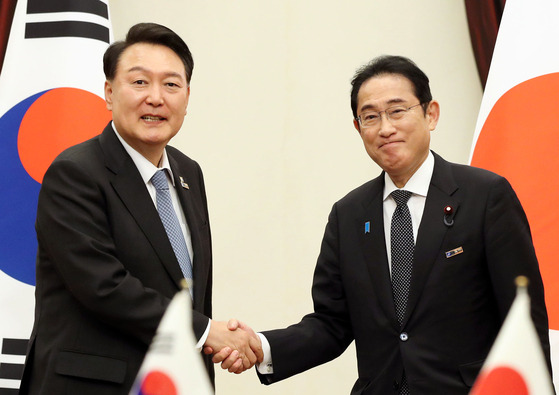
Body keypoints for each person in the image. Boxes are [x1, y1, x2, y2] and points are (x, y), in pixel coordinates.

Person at [212, 55, 552, 394]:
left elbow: (523, 317)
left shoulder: (485, 196)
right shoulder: (348, 214)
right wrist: (260, 346)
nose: (385, 128)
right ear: (359, 128)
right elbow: (332, 323)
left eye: (397, 110)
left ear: (430, 114)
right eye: (371, 116)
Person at [19, 22, 261, 394]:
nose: (156, 97)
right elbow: (104, 286)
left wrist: (208, 341)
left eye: (171, 84)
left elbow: (185, 286)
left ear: (187, 96)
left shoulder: (187, 173)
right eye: (139, 82)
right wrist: (205, 332)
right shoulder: (75, 172)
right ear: (109, 93)